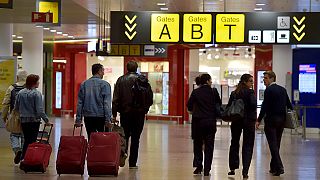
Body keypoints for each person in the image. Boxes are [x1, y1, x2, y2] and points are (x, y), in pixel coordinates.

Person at [112, 61, 153, 169]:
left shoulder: (121, 79)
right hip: (139, 114)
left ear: (127, 68)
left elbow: (116, 98)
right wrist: (145, 109)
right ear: (136, 68)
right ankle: (133, 163)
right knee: (136, 137)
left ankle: (123, 154)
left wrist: (114, 113)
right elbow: (150, 97)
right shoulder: (143, 79)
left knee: (125, 136)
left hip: (125, 113)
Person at [256, 71, 293, 176]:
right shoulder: (282, 90)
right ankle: (273, 168)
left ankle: (280, 167)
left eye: (266, 78)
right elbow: (289, 105)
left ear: (272, 78)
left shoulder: (269, 90)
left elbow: (265, 106)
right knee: (276, 144)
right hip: (281, 121)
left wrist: (259, 119)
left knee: (272, 145)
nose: (264, 80)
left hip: (271, 121)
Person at [187, 73, 222, 176]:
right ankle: (207, 169)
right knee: (209, 146)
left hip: (198, 122)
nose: (211, 82)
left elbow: (189, 105)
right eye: (210, 80)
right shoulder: (213, 91)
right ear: (207, 81)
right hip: (210, 122)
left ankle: (198, 166)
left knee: (197, 144)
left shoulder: (195, 92)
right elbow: (218, 104)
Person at [14, 74, 51, 161]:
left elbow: (16, 107)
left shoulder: (20, 93)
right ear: (34, 83)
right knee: (32, 140)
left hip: (23, 120)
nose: (38, 83)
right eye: (37, 81)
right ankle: (29, 158)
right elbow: (39, 110)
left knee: (26, 139)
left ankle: (23, 157)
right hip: (34, 121)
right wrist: (46, 120)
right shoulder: (37, 94)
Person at [227, 74, 257, 179]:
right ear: (245, 82)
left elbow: (229, 106)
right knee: (248, 145)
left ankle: (232, 168)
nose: (252, 83)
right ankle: (245, 171)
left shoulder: (234, 93)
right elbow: (253, 105)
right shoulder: (250, 92)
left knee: (234, 143)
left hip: (236, 121)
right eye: (250, 81)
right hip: (248, 122)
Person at [75, 63, 112, 139]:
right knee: (102, 140)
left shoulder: (84, 84)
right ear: (99, 71)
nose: (103, 73)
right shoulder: (105, 84)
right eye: (102, 71)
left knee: (91, 138)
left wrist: (78, 119)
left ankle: (92, 150)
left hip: (88, 116)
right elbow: (107, 103)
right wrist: (108, 119)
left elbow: (80, 103)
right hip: (101, 117)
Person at [1, 70, 28, 164]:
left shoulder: (11, 88)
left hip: (14, 115)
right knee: (25, 136)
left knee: (14, 135)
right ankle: (23, 156)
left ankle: (17, 150)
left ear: (17, 77)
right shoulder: (29, 88)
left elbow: (5, 103)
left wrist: (4, 116)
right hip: (27, 117)